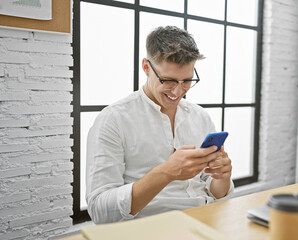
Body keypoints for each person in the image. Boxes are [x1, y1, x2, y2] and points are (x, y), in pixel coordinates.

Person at [85, 26, 234, 224]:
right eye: (168, 80)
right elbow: (99, 210)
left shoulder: (200, 117)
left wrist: (222, 176)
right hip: (149, 228)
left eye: (187, 80)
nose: (178, 91)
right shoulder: (113, 120)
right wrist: (166, 172)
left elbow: (216, 193)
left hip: (205, 221)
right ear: (146, 67)